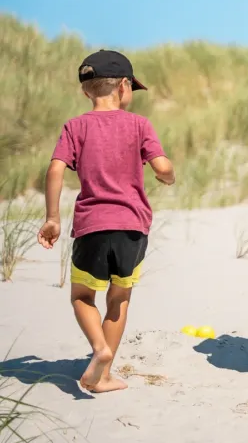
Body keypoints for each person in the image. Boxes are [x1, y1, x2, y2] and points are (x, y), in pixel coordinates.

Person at [37, 50, 175, 393]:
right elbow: (161, 167)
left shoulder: (75, 126)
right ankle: (103, 370)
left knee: (83, 296)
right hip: (131, 227)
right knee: (119, 298)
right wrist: (167, 177)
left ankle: (98, 347)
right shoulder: (139, 124)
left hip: (91, 225)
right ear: (124, 86)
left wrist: (52, 218)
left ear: (86, 91)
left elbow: (55, 169)